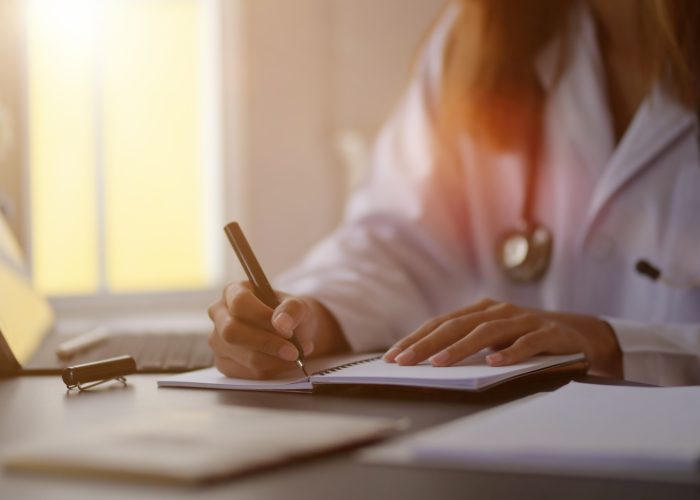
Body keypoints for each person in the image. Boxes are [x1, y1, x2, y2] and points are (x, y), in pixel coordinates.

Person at [208, 0, 700, 386]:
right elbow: (396, 243)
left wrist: (614, 342)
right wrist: (308, 314)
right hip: (511, 452)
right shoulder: (480, 42)